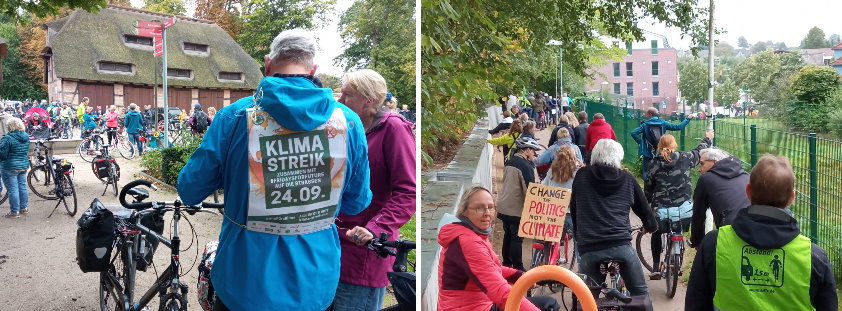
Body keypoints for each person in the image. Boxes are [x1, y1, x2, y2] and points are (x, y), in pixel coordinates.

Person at [176, 28, 372, 311]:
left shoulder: (234, 116)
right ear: (313, 68)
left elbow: (190, 190)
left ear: (268, 63)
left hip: (244, 282)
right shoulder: (348, 122)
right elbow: (355, 203)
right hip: (314, 282)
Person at [685, 155, 837, 311]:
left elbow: (695, 302)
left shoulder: (714, 244)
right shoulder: (814, 257)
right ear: (791, 197)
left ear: (748, 191)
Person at [332, 69, 416, 311]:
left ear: (368, 100)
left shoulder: (394, 129)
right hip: (333, 244)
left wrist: (375, 229)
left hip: (364, 250)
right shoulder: (347, 127)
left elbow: (408, 192)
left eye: (347, 95)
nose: (340, 101)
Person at [437, 186, 560, 311]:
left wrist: (521, 276)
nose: (486, 213)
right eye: (479, 208)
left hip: (477, 304)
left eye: (490, 207)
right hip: (471, 308)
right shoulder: (467, 241)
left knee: (547, 303)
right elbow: (499, 291)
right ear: (464, 211)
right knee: (548, 305)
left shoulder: (470, 233)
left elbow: (488, 267)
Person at [570, 139, 657, 298]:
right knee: (640, 294)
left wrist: (579, 237)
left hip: (589, 248)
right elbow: (644, 210)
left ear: (594, 155)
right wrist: (650, 226)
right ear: (618, 158)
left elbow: (575, 210)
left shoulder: (581, 176)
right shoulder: (627, 178)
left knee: (585, 298)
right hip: (620, 246)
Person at [644, 132, 712, 279]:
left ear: (659, 146)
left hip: (661, 213)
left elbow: (648, 189)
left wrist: (647, 205)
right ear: (674, 145)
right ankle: (680, 258)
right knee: (679, 228)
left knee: (656, 232)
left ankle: (656, 267)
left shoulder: (654, 164)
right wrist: (708, 138)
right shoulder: (685, 157)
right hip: (685, 214)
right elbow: (699, 151)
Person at [496, 137, 543, 270]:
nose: (534, 154)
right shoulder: (526, 166)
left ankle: (506, 263)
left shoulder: (510, 161)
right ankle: (518, 268)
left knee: (508, 236)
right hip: (515, 208)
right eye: (533, 151)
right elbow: (530, 190)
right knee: (517, 239)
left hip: (504, 206)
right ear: (527, 150)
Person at [689, 148, 751, 247]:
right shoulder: (747, 176)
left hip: (729, 232)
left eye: (702, 163)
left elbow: (698, 216)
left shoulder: (706, 179)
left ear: (715, 162)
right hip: (755, 229)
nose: (699, 169)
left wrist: (697, 242)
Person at [631, 107, 691, 180]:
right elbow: (678, 127)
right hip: (661, 151)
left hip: (647, 152)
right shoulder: (663, 123)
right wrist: (688, 119)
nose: (645, 115)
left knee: (646, 172)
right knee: (660, 169)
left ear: (650, 114)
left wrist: (641, 142)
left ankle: (647, 187)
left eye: (646, 114)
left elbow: (633, 133)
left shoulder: (645, 125)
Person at [1, 118, 30, 218]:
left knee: (13, 189)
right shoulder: (26, 136)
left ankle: (14, 211)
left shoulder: (7, 138)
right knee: (22, 187)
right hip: (23, 165)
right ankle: (24, 208)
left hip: (9, 167)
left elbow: (2, 154)